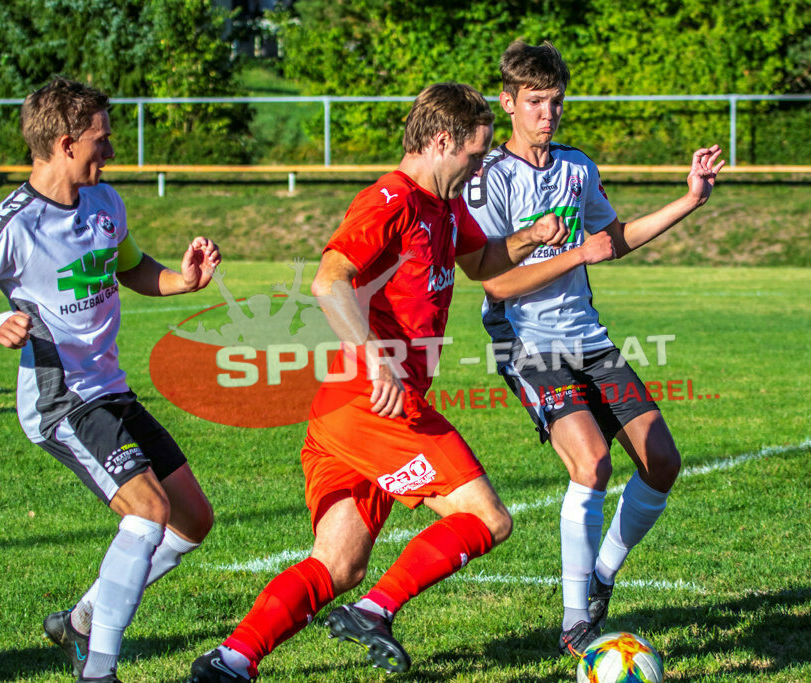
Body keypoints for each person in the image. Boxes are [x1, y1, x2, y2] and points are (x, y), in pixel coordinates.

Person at [188, 81, 568, 681]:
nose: (478, 166)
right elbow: (328, 281)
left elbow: (482, 264)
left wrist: (531, 238)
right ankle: (375, 612)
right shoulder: (391, 200)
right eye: (473, 153)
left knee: (338, 565)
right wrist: (379, 361)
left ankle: (231, 660)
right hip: (373, 403)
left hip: (343, 413)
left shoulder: (442, 205)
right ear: (441, 141)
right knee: (488, 518)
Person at [0, 77, 221, 682]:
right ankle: (98, 670)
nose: (111, 151)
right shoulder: (11, 225)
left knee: (192, 520)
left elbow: (132, 268)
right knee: (147, 512)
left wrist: (185, 279)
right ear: (67, 143)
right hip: (60, 398)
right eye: (102, 139)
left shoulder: (106, 202)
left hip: (111, 390)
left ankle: (82, 619)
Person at [465, 40, 724, 656]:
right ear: (508, 104)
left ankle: (603, 574)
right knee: (592, 464)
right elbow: (495, 281)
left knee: (662, 460)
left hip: (589, 337)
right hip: (526, 342)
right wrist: (575, 253)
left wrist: (689, 198)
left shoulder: (577, 168)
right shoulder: (489, 180)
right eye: (535, 102)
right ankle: (574, 620)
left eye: (555, 101)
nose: (547, 114)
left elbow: (614, 238)